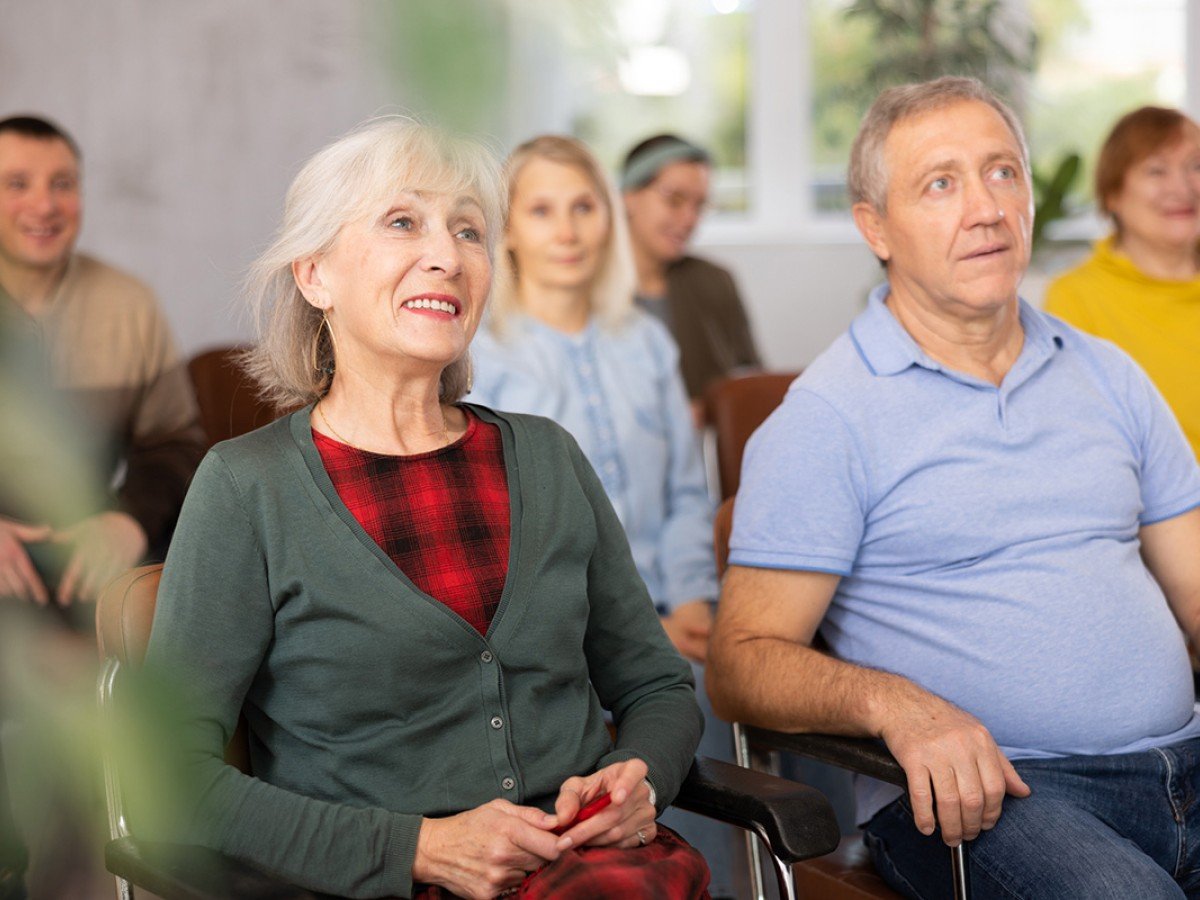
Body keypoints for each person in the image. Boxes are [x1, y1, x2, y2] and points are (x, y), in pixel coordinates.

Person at [143, 119, 709, 900]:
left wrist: (638, 773)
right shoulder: (248, 487)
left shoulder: (548, 456)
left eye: (469, 230)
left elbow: (657, 687)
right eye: (403, 221)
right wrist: (417, 846)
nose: (447, 255)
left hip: (597, 871)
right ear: (316, 276)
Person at [706, 76, 1200, 899]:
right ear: (876, 228)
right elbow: (740, 663)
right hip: (993, 802)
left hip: (1183, 763)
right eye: (941, 183)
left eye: (1003, 172)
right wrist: (899, 706)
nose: (986, 207)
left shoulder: (1109, 374)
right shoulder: (828, 417)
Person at [468, 135, 738, 898]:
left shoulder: (647, 342)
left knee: (763, 665)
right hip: (569, 632)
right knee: (690, 694)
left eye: (583, 206)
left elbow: (689, 489)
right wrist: (642, 632)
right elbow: (509, 544)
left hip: (672, 605)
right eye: (542, 209)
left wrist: (690, 597)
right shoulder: (481, 360)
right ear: (508, 229)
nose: (567, 229)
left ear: (608, 219)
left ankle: (810, 868)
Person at [0, 114, 204, 608]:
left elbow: (175, 442)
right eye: (17, 183)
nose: (44, 205)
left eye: (63, 184)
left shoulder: (128, 302)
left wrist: (128, 520)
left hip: (87, 559)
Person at [1044, 106, 1200, 460]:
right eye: (1156, 171)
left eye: (1196, 166)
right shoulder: (1076, 298)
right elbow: (1085, 444)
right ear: (1113, 194)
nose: (1182, 186)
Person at [620, 135, 760, 419]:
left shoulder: (716, 281)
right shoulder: (584, 287)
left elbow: (751, 381)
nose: (689, 220)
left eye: (699, 206)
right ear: (629, 197)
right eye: (675, 200)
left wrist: (708, 410)